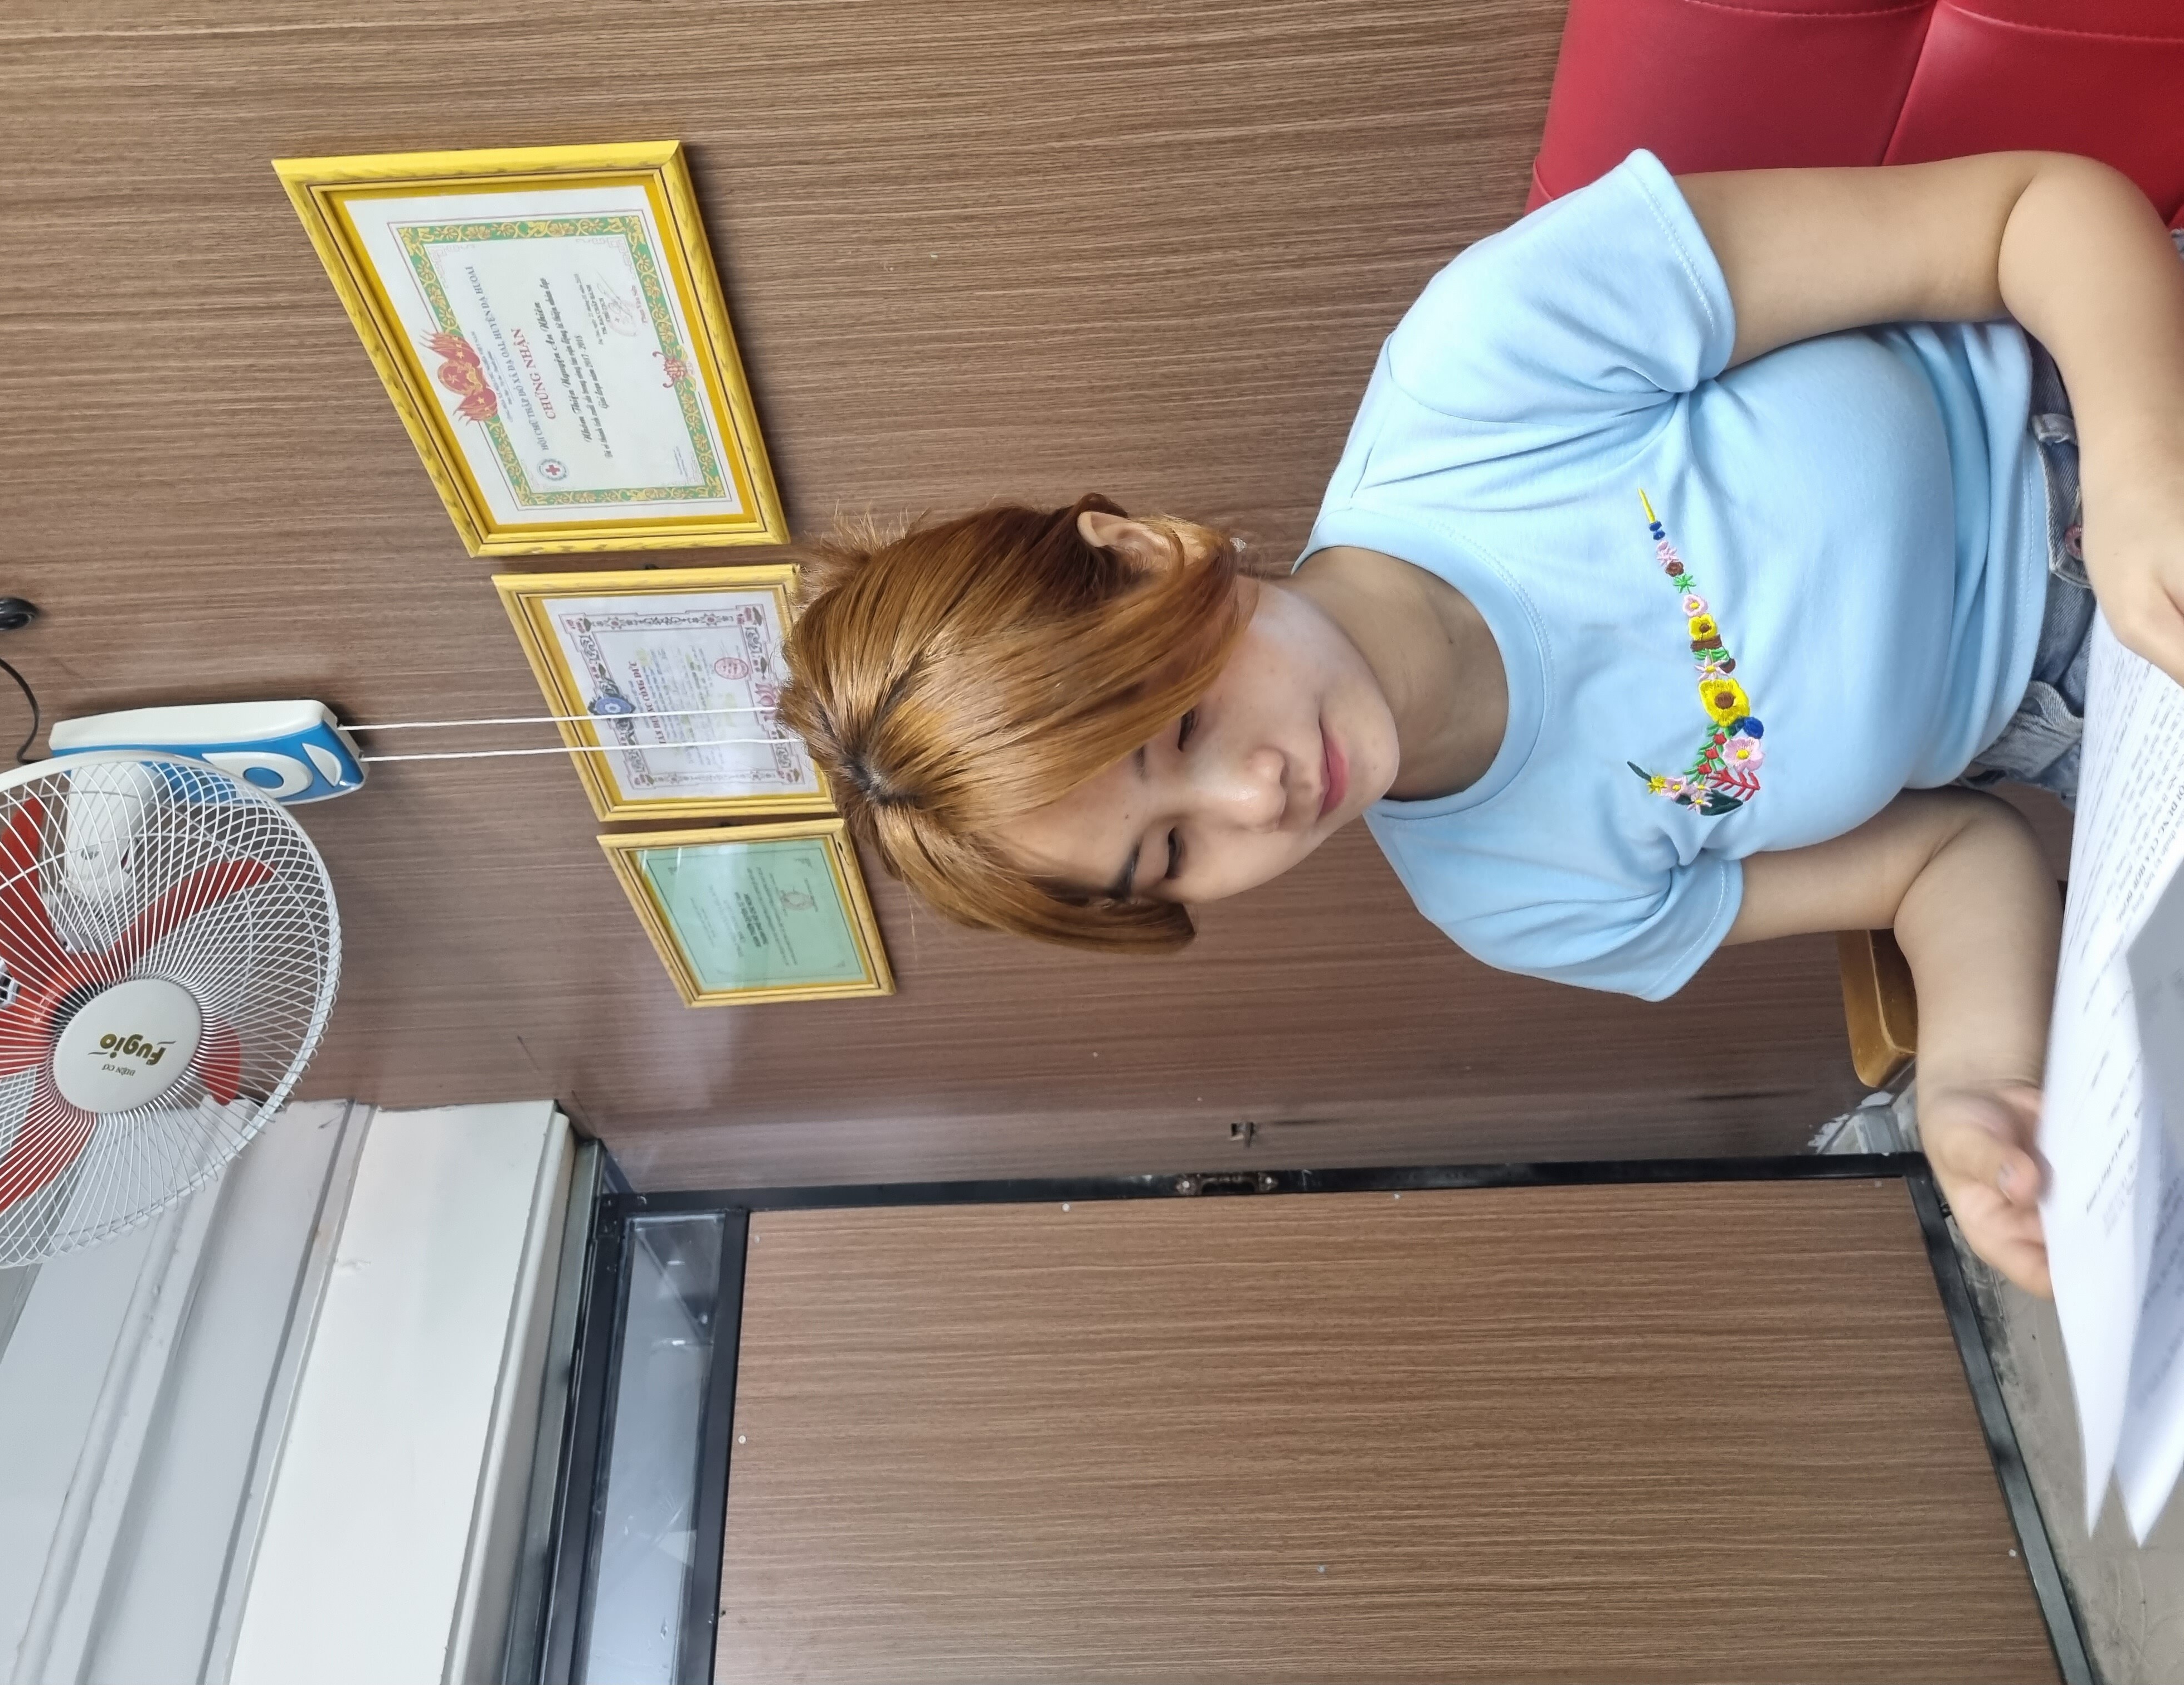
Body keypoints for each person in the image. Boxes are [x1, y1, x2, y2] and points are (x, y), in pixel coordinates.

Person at [778, 150, 2184, 1299]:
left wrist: (2139, 478)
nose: (1257, 801)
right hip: (2105, 735)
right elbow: (1952, 858)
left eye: (1183, 728)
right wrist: (1976, 1079)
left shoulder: (1487, 364)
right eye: (1172, 856)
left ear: (1146, 556)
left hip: (2124, 391)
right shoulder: (1516, 902)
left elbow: (2031, 216)